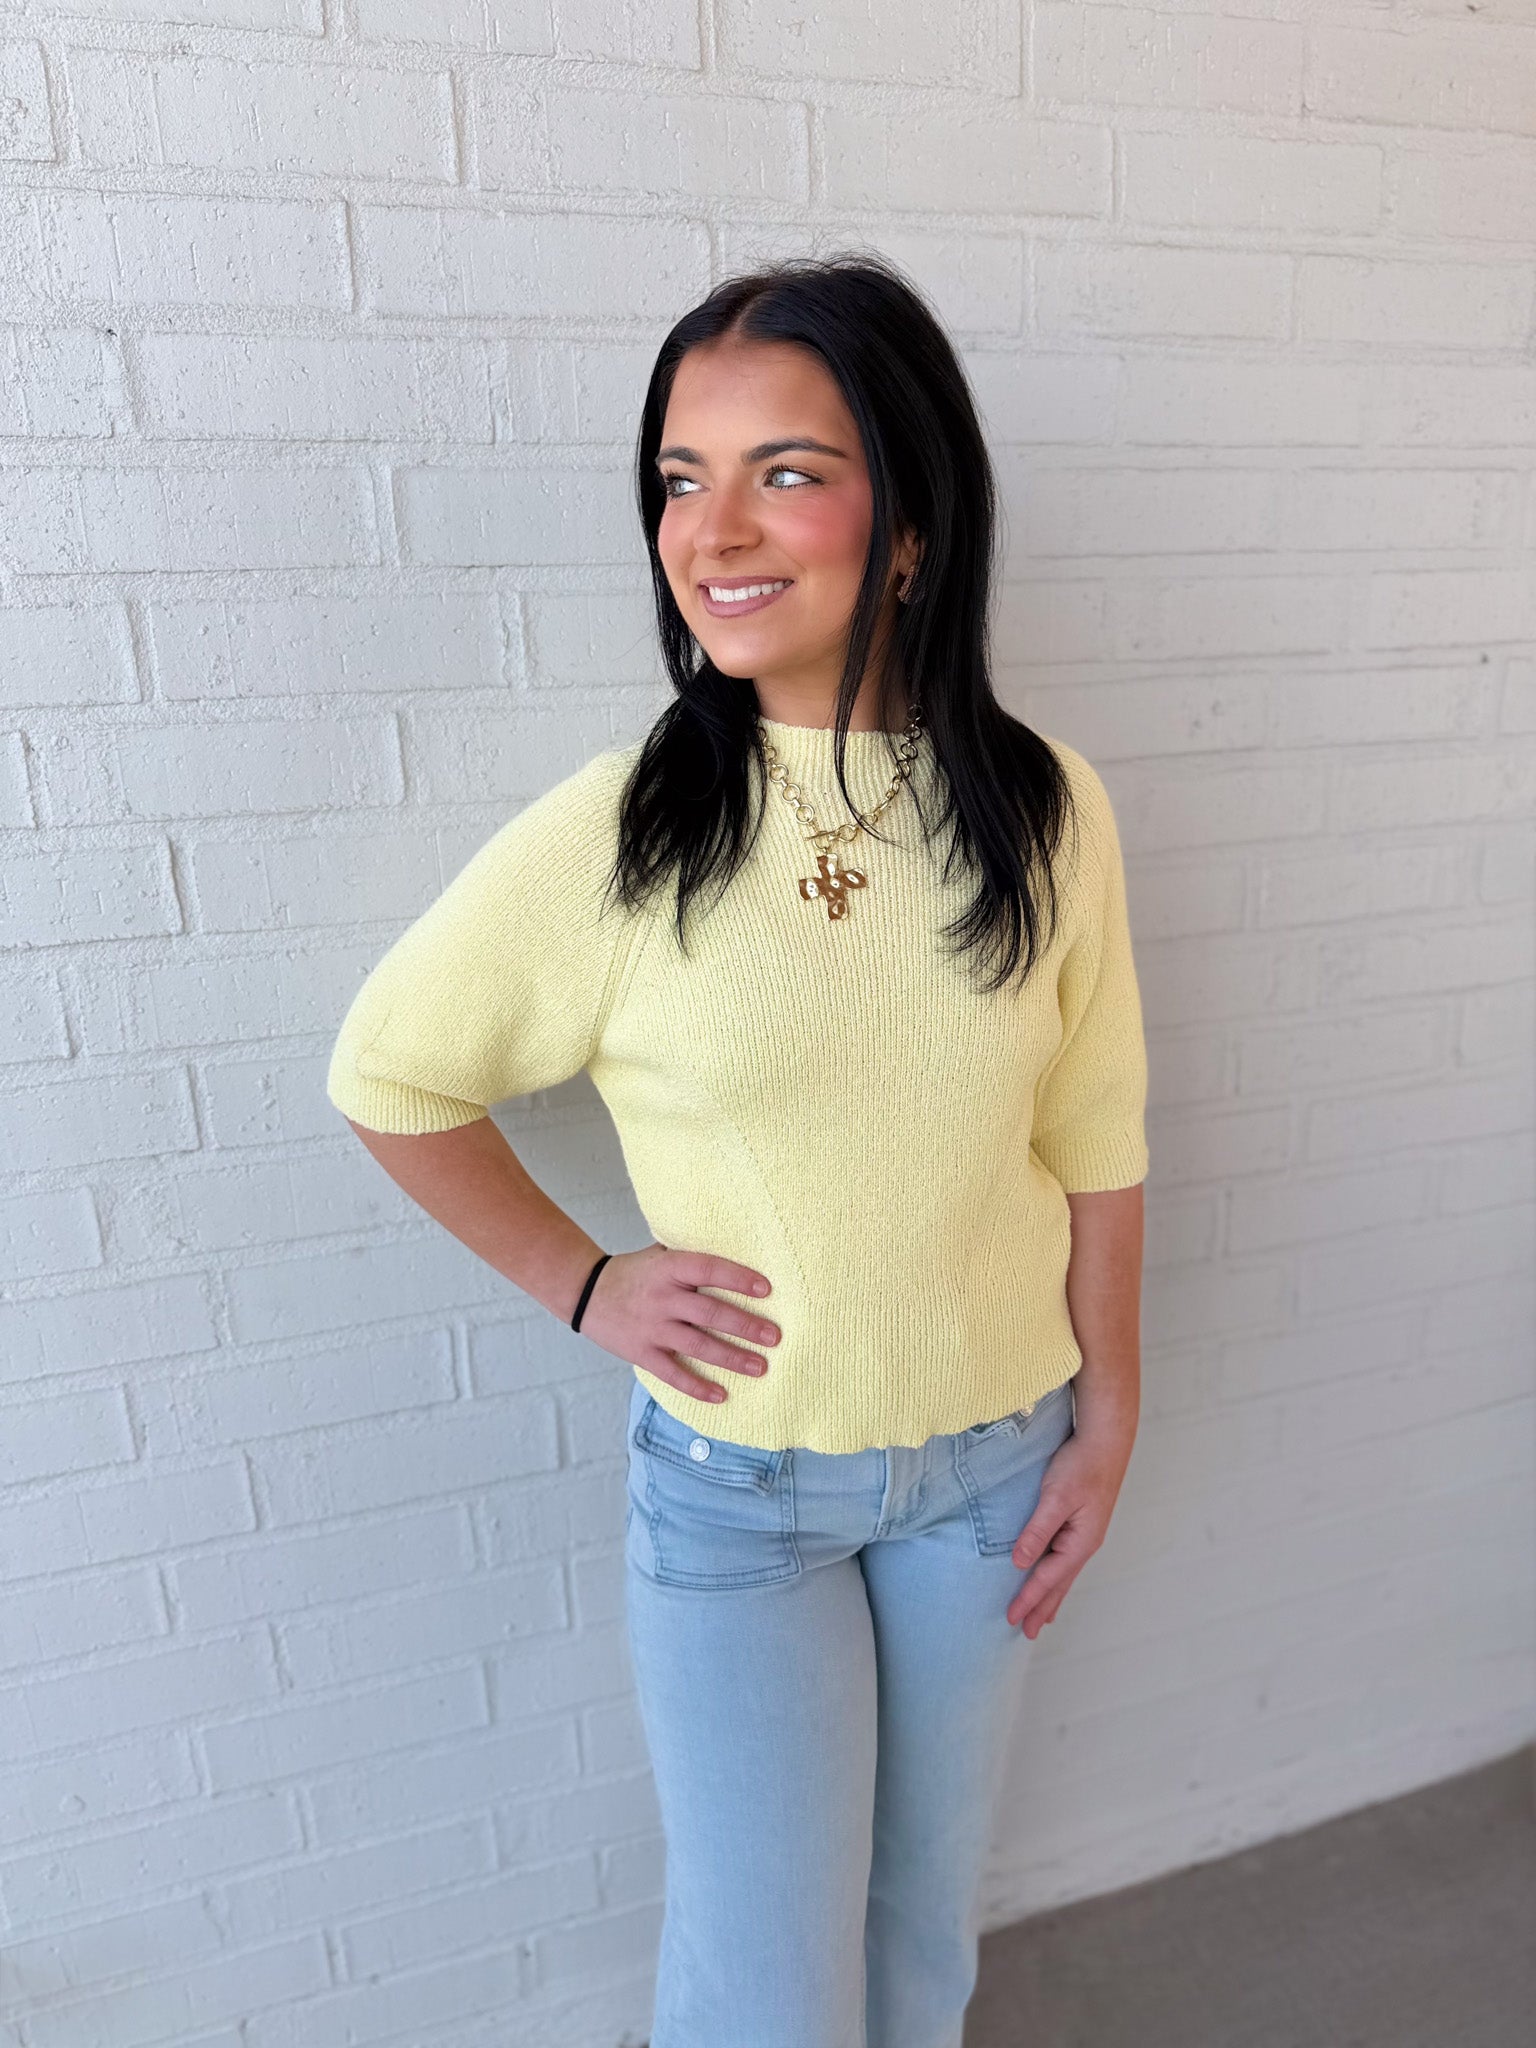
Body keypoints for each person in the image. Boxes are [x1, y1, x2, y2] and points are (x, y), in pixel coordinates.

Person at [326, 251, 1149, 2048]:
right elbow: (390, 1075)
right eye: (680, 480)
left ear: (910, 524)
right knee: (766, 1987)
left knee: (922, 1933)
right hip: (739, 1495)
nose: (713, 531)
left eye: (786, 471)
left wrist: (1111, 1410)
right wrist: (588, 1284)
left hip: (995, 1474)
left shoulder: (1046, 807)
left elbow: (1096, 1127)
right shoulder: (626, 829)